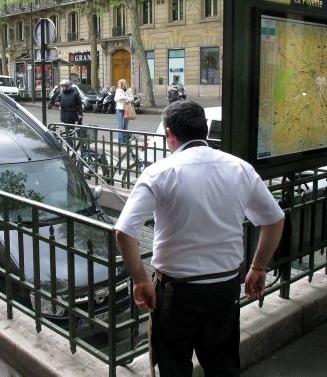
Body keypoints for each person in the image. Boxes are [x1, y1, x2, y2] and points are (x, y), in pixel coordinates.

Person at [115, 100, 285, 377]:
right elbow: (275, 219)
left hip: (176, 292)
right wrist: (258, 268)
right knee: (222, 364)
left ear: (170, 133)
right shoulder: (239, 168)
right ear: (203, 130)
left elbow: (124, 232)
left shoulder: (159, 172)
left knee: (174, 365)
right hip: (225, 288)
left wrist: (140, 281)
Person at [114, 79, 134, 143]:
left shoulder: (129, 90)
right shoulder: (118, 90)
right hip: (119, 109)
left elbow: (132, 99)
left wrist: (126, 99)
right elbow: (115, 99)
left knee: (125, 125)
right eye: (118, 83)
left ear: (123, 84)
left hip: (127, 109)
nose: (118, 85)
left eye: (120, 83)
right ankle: (120, 140)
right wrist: (120, 98)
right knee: (120, 126)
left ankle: (125, 140)